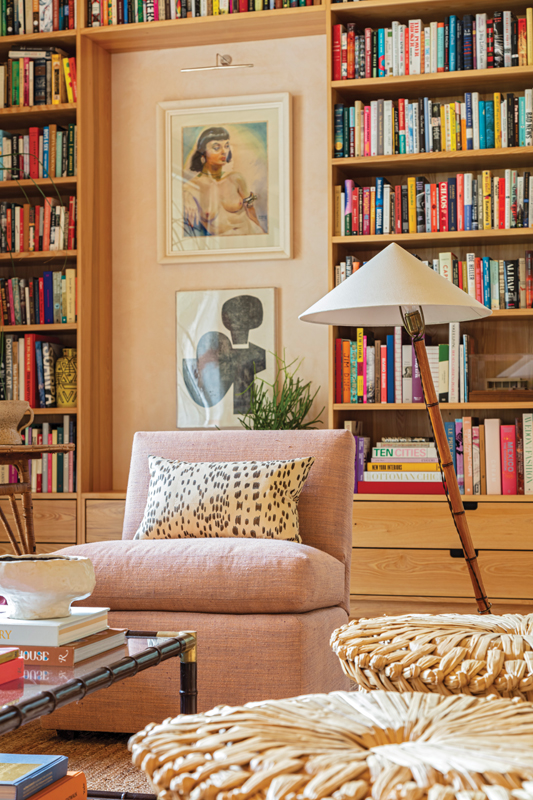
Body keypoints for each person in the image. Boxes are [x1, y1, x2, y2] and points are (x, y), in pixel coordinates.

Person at [183, 126, 266, 237]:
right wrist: (186, 196)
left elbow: (250, 210)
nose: (224, 152)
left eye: (226, 146)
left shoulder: (236, 179)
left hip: (252, 234)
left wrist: (263, 236)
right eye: (216, 147)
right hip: (223, 244)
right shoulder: (191, 188)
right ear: (203, 152)